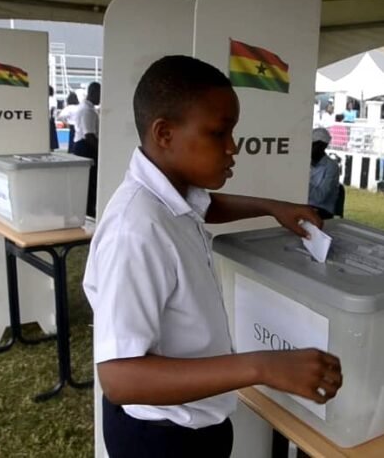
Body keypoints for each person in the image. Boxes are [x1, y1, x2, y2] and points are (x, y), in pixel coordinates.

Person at [83, 55, 343, 458]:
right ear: (165, 134)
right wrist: (261, 366)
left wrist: (274, 207)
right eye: (219, 133)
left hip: (195, 421)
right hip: (161, 438)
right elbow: (119, 377)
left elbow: (207, 206)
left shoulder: (171, 194)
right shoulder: (136, 230)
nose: (232, 147)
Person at [72, 82, 101, 216]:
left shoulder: (84, 108)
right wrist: (101, 152)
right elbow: (89, 135)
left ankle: (87, 210)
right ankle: (88, 212)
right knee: (90, 181)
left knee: (86, 181)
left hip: (81, 145)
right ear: (93, 92)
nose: (101, 98)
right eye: (100, 94)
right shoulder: (87, 111)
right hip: (86, 147)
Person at [309, 127, 340, 219]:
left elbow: (320, 198)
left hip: (322, 210)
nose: (309, 148)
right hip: (304, 207)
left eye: (313, 145)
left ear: (322, 146)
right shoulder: (305, 162)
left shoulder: (331, 166)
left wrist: (302, 182)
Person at [48, 86, 59, 150]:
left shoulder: (50, 99)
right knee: (52, 134)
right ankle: (52, 147)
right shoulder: (53, 99)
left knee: (50, 134)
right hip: (51, 118)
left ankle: (50, 147)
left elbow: (52, 109)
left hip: (49, 118)